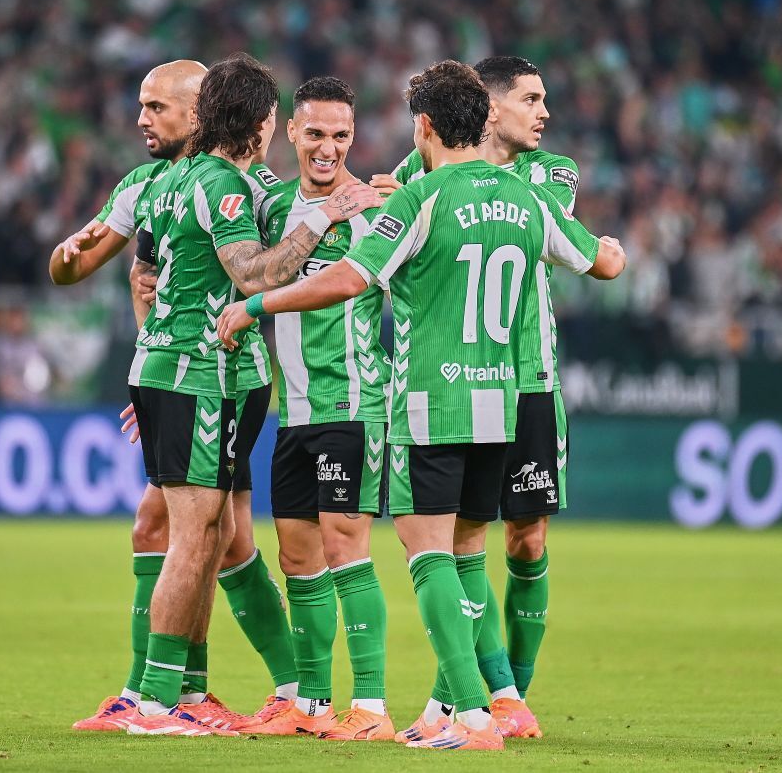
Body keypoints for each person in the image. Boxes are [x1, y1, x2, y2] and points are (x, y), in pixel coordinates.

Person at [219, 59, 612, 752]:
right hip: (503, 401)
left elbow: (347, 278)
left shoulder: (419, 198)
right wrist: (609, 247)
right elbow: (602, 263)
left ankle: (472, 714)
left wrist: (255, 303)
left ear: (424, 126)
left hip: (431, 402)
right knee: (466, 554)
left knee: (424, 550)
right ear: (483, 120)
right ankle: (453, 706)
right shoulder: (527, 200)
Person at [122, 52, 378, 737]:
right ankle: (156, 700)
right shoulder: (222, 186)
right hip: (202, 378)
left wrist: (154, 353)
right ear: (269, 124)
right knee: (195, 533)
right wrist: (321, 223)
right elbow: (255, 276)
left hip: (206, 378)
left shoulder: (177, 179)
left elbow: (146, 271)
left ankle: (283, 688)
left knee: (226, 534)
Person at [372, 55, 626, 739]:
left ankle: (487, 696)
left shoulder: (552, 174)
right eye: (532, 99)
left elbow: (553, 235)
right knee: (460, 543)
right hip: (460, 378)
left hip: (530, 377)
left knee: (523, 537)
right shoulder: (418, 170)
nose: (544, 112)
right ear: (487, 106)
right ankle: (491, 700)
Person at [50, 59, 296, 734]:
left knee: (212, 533)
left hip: (224, 378)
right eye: (141, 105)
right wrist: (74, 259)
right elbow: (81, 266)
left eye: (158, 107)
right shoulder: (145, 185)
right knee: (195, 531)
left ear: (198, 113)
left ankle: (188, 692)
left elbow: (262, 270)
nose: (142, 119)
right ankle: (179, 693)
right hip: (179, 376)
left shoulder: (246, 183)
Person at [236, 77, 392, 740]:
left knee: (345, 544)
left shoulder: (374, 210)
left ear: (352, 139)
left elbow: (343, 285)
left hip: (352, 402)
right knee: (297, 555)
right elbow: (251, 269)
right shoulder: (273, 208)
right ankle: (312, 705)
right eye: (316, 133)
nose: (328, 148)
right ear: (292, 133)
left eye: (341, 136)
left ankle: (374, 709)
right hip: (293, 410)